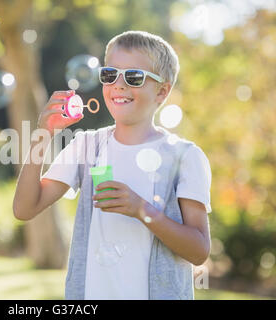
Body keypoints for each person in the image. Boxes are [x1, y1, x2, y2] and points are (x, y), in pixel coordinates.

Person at [13, 30, 212, 300]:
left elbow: (199, 250)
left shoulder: (184, 156)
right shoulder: (87, 146)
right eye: (110, 74)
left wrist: (142, 210)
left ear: (162, 91)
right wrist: (43, 134)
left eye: (134, 77)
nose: (119, 85)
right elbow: (25, 208)